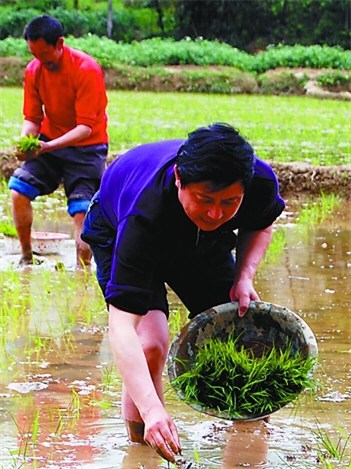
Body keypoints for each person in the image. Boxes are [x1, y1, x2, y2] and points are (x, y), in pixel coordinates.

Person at [81, 122, 285, 462]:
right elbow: (122, 327)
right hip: (117, 224)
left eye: (229, 202)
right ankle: (144, 450)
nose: (216, 212)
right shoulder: (142, 215)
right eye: (205, 199)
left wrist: (244, 276)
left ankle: (247, 450)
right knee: (150, 344)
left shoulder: (256, 180)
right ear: (179, 178)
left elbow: (260, 223)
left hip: (201, 241)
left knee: (243, 338)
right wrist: (152, 410)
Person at [8, 14, 108, 267]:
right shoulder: (34, 71)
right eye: (34, 55)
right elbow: (32, 118)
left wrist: (48, 146)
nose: (40, 61)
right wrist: (25, 141)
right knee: (18, 190)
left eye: (45, 55)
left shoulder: (86, 70)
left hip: (87, 148)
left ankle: (83, 273)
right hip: (49, 144)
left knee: (82, 212)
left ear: (60, 43)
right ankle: (26, 257)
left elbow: (85, 128)